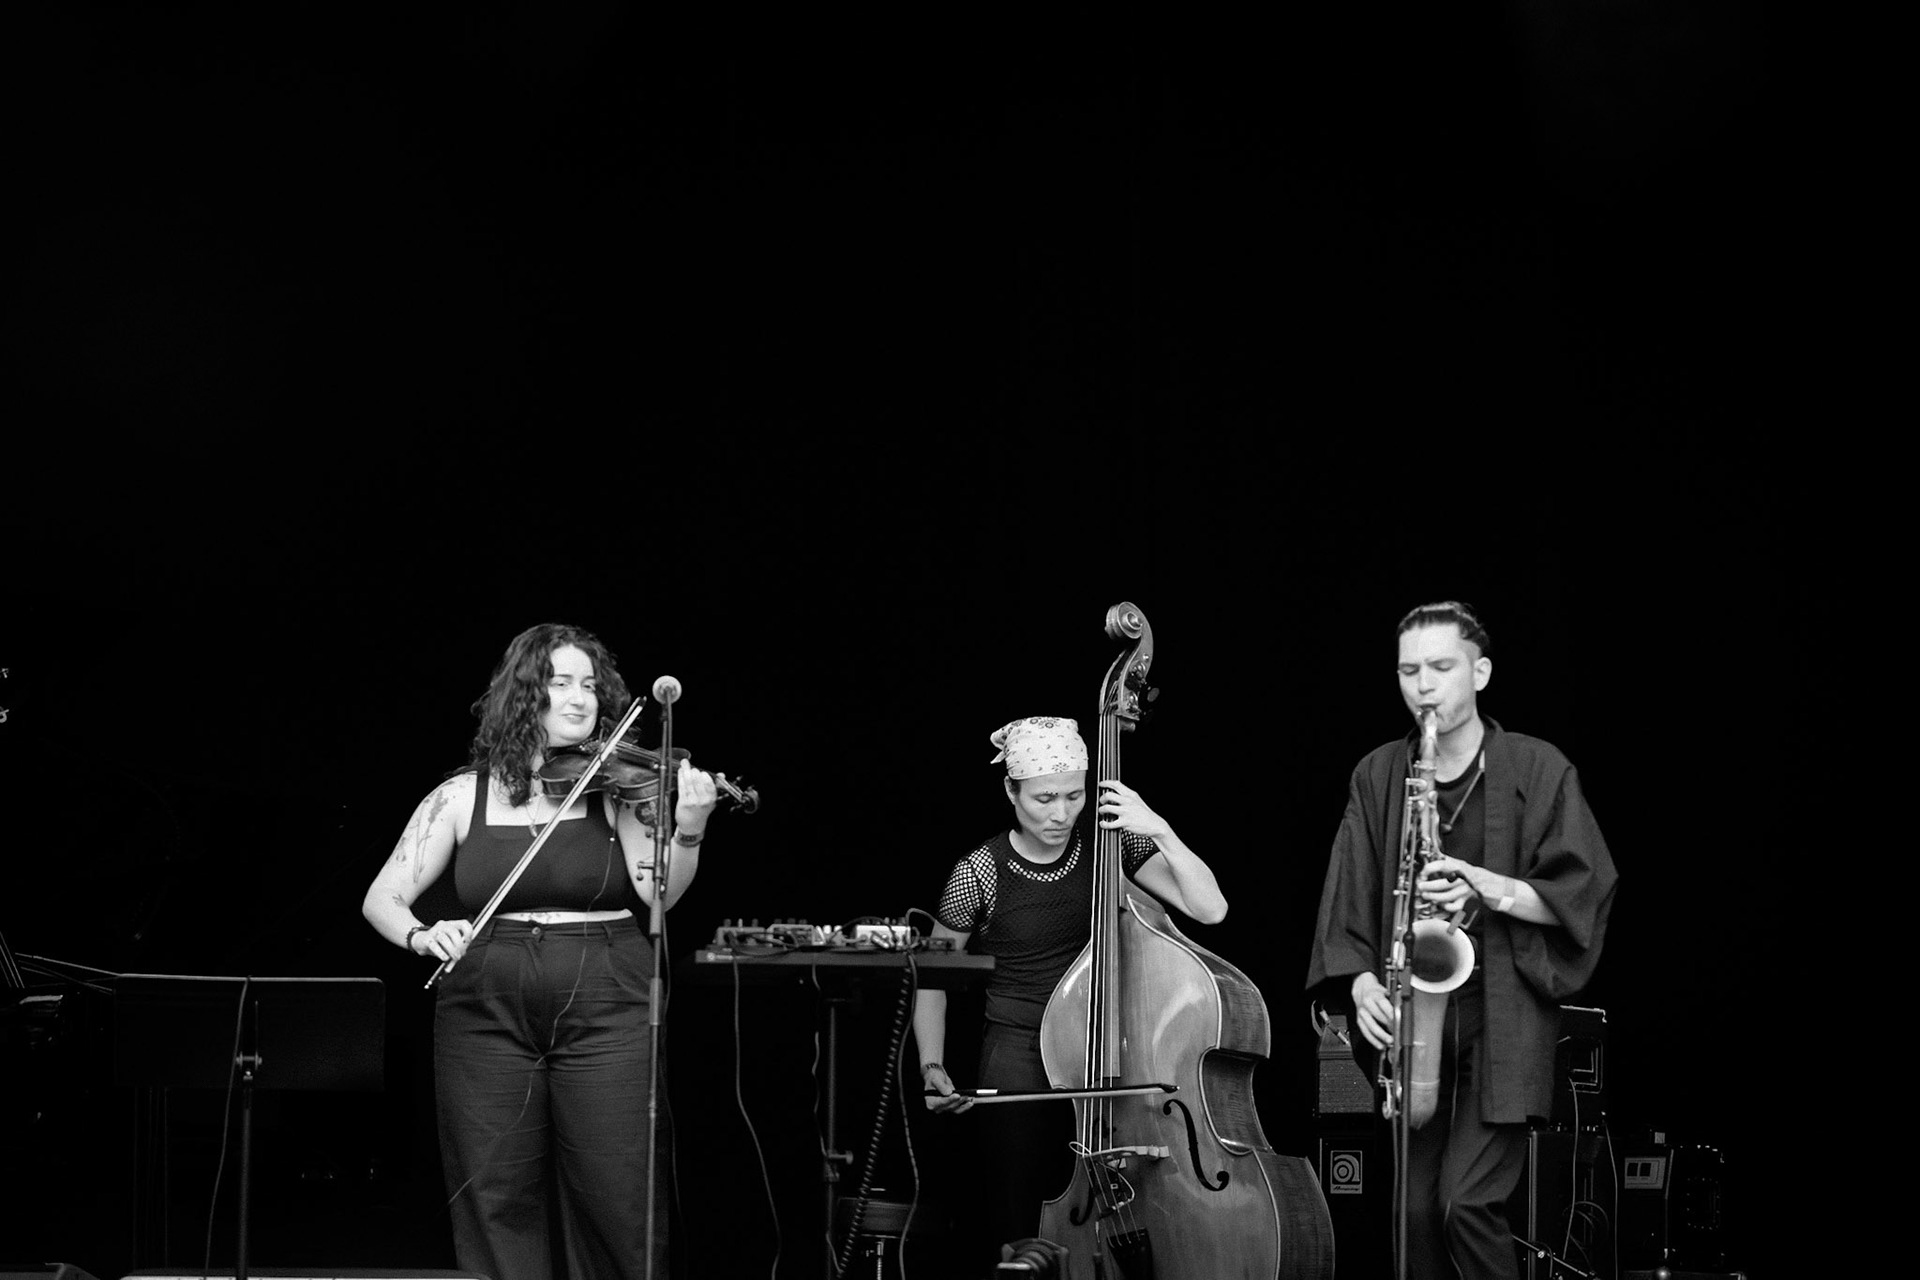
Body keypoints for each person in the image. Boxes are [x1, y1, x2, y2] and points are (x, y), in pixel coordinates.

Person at [361, 622, 716, 1280]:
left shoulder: (617, 788)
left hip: (607, 991)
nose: (580, 699)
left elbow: (657, 893)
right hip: (484, 1002)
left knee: (617, 1189)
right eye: (560, 683)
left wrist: (688, 831)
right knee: (494, 1189)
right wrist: (421, 934)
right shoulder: (459, 796)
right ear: (524, 695)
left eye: (590, 686)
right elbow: (383, 898)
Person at [1304, 602, 1618, 1280]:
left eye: (1441, 667)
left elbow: (1582, 893)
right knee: (1414, 1217)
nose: (1423, 685)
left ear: (1481, 672)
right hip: (1412, 1020)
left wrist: (1488, 888)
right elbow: (1348, 897)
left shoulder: (1539, 767)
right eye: (1408, 670)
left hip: (1503, 1015)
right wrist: (1361, 984)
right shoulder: (1378, 773)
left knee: (1463, 1206)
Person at [911, 714, 1229, 1261]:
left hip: (1111, 1052)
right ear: (1010, 791)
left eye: (1075, 796)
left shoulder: (1110, 847)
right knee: (1019, 1217)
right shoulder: (979, 872)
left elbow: (1211, 908)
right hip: (1019, 1052)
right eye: (1044, 798)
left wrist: (1157, 827)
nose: (1060, 813)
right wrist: (932, 1064)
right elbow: (933, 976)